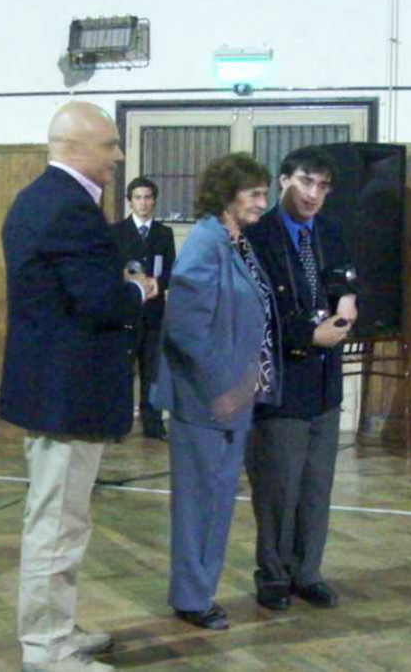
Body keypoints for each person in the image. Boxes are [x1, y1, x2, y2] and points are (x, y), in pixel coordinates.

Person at [0, 101, 158, 672]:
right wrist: (140, 290)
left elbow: (70, 291)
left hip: (56, 390)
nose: (118, 156)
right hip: (65, 395)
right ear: (76, 146)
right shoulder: (68, 207)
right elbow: (99, 301)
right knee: (56, 528)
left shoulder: (40, 199)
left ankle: (58, 633)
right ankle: (46, 650)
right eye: (111, 144)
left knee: (61, 523)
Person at [150, 153, 280, 631]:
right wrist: (223, 387)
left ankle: (199, 590)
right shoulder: (205, 242)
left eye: (266, 193)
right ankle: (191, 597)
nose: (263, 204)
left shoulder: (235, 242)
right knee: (200, 504)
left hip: (233, 397)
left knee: (217, 500)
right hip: (207, 401)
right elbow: (184, 329)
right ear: (228, 195)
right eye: (255, 194)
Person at [243, 145, 357, 612]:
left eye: (323, 186)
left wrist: (349, 297)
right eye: (307, 182)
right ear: (284, 179)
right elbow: (255, 315)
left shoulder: (331, 229)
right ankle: (273, 577)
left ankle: (307, 572)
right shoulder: (258, 235)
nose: (315, 194)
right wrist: (309, 334)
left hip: (325, 384)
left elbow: (345, 278)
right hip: (282, 385)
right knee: (278, 489)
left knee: (316, 487)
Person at [111, 177, 176, 440]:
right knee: (123, 370)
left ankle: (153, 424)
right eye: (138, 197)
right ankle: (118, 424)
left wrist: (157, 284)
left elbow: (171, 269)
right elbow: (111, 268)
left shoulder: (164, 233)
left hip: (154, 312)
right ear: (130, 201)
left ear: (154, 201)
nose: (143, 203)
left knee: (152, 370)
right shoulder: (116, 232)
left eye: (148, 197)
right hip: (126, 312)